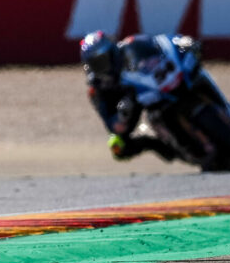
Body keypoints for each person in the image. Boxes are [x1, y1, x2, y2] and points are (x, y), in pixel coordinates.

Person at [79, 30, 186, 163]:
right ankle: (165, 147)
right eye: (96, 64)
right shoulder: (97, 89)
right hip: (134, 108)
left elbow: (160, 44)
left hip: (155, 85)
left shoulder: (131, 46)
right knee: (117, 147)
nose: (102, 67)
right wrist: (122, 115)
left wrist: (180, 44)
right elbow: (112, 126)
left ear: (112, 52)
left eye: (103, 60)